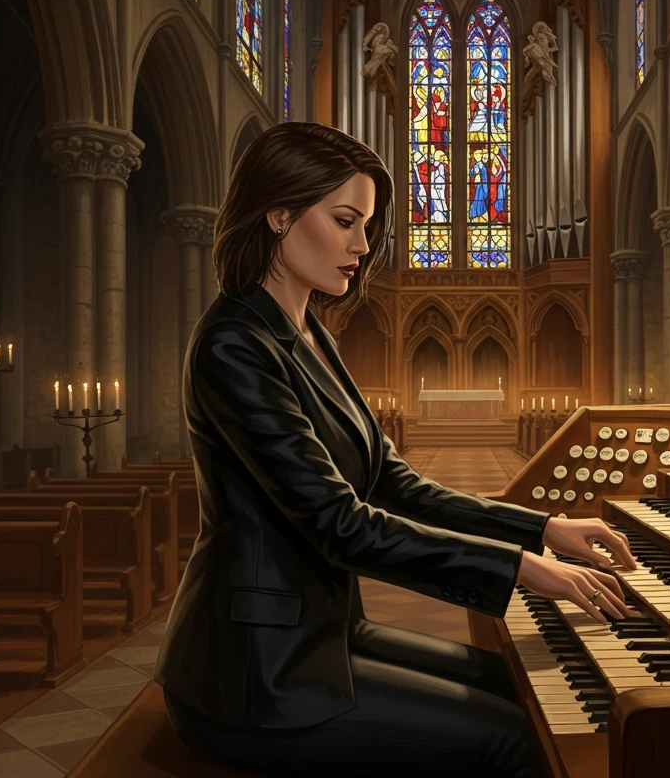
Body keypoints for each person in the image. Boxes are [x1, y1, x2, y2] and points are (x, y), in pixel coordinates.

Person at [154, 122, 639, 776]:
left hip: (321, 635)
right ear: (277, 216)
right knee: (516, 742)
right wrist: (524, 569)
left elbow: (393, 484)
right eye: (345, 220)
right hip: (253, 673)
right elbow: (340, 526)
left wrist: (544, 529)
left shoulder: (310, 334)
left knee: (522, 691)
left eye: (368, 225)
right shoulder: (234, 344)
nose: (363, 245)